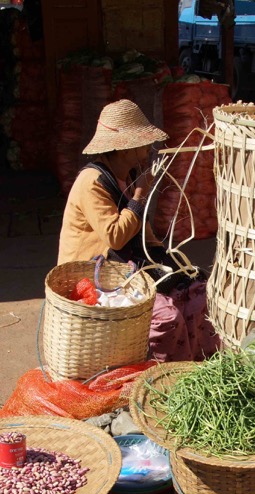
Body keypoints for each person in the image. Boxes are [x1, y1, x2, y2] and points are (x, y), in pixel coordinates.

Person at [57, 98, 219, 362]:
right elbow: (115, 236)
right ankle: (160, 375)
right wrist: (141, 194)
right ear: (125, 148)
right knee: (166, 317)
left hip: (128, 264)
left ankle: (195, 366)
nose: (149, 146)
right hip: (96, 274)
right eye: (143, 142)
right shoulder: (92, 182)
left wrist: (166, 260)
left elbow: (142, 231)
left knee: (199, 294)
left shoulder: (129, 175)